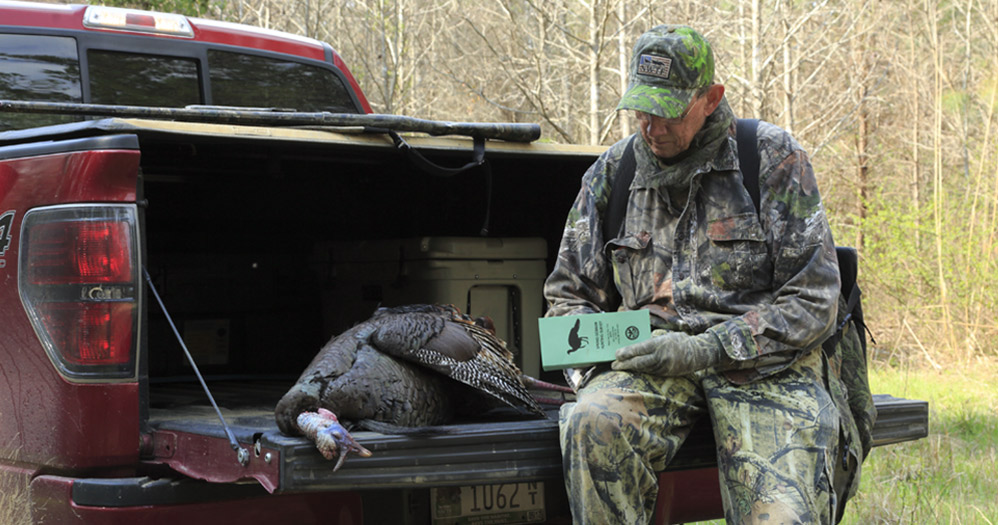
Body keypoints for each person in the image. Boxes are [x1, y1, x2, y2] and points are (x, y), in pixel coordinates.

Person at [544, 25, 855, 524]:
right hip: (651, 365)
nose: (652, 126)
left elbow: (814, 299)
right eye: (642, 110)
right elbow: (568, 295)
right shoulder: (612, 173)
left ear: (711, 98)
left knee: (780, 517)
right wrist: (597, 362)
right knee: (589, 423)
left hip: (764, 371)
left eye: (668, 111)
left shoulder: (771, 159)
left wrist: (707, 348)